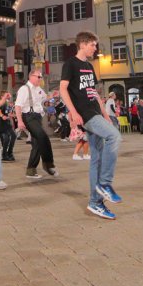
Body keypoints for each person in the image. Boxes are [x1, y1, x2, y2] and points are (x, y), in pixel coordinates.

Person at [58, 31, 121, 219]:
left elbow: (93, 92)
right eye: (93, 45)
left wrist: (105, 114)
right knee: (114, 136)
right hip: (86, 114)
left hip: (96, 112)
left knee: (97, 159)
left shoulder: (89, 66)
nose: (95, 48)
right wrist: (74, 112)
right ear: (83, 44)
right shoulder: (70, 64)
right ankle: (105, 183)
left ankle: (95, 203)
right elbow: (63, 89)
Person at [15, 69, 56, 179]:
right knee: (43, 136)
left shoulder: (39, 89)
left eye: (41, 77)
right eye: (38, 76)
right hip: (29, 116)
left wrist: (51, 97)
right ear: (31, 76)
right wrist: (19, 121)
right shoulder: (24, 89)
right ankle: (48, 164)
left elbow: (45, 100)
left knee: (37, 143)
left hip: (38, 117)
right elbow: (18, 106)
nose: (40, 79)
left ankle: (31, 170)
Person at [0, 92, 16, 161]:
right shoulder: (1, 103)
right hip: (2, 125)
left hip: (7, 124)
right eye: (7, 95)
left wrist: (16, 115)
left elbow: (8, 113)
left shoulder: (6, 103)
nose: (9, 96)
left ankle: (9, 153)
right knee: (6, 139)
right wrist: (2, 116)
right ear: (2, 96)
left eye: (9, 94)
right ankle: (4, 155)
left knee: (13, 136)